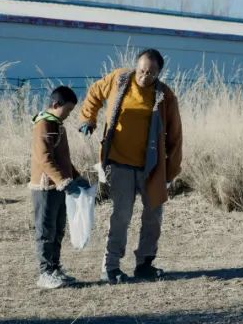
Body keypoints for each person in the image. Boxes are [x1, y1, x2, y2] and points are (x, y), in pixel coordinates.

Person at [78, 48, 183, 285]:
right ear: (136, 66)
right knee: (122, 215)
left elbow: (175, 136)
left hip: (152, 167)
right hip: (119, 162)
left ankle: (144, 264)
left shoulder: (165, 96)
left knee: (153, 216)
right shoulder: (119, 79)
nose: (145, 76)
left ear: (159, 74)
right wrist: (87, 118)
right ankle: (110, 267)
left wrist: (171, 170)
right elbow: (95, 93)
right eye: (142, 70)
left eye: (151, 73)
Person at [29, 85, 83, 289]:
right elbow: (44, 157)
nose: (68, 115)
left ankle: (55, 268)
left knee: (58, 229)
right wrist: (62, 181)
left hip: (60, 187)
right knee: (45, 230)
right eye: (67, 110)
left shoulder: (57, 124)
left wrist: (76, 177)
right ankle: (45, 273)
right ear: (55, 104)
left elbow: (63, 159)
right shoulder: (44, 124)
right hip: (45, 188)